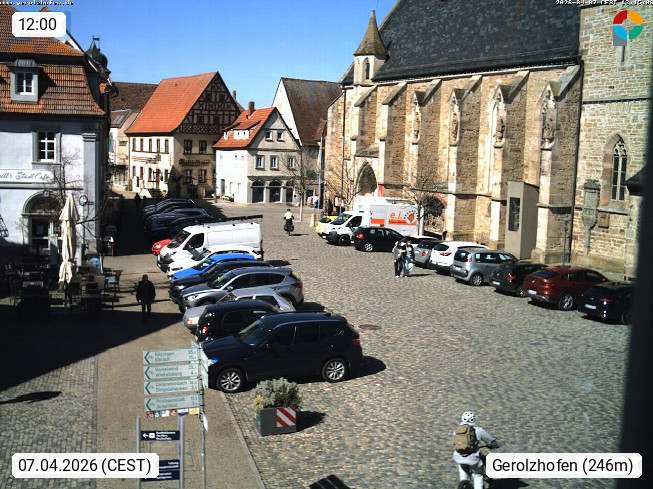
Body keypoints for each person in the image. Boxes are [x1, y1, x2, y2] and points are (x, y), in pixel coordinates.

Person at [452, 411, 500, 489]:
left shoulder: (456, 431)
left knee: (462, 467)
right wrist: (495, 445)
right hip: (473, 459)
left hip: (458, 457)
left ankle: (463, 482)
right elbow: (491, 441)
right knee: (477, 475)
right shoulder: (478, 430)